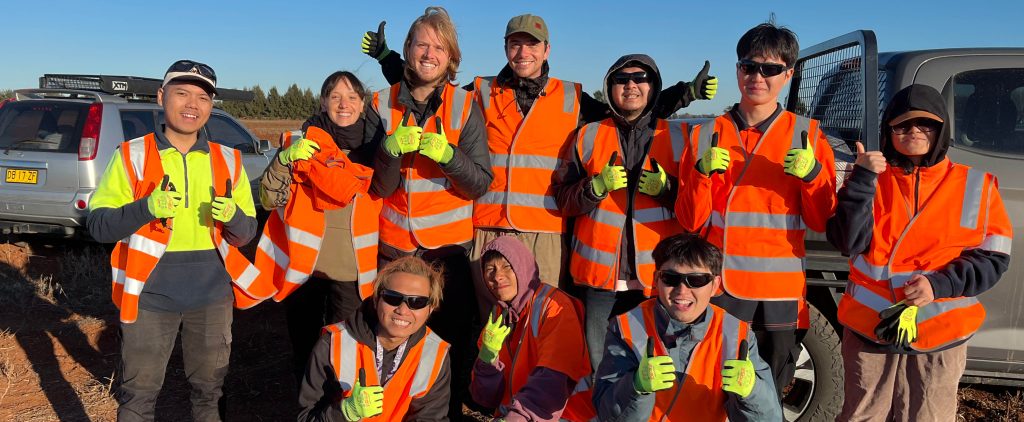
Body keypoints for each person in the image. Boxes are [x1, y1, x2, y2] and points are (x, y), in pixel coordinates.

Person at [362, 15, 718, 320]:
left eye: (532, 45)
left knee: (543, 318)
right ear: (505, 48)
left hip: (545, 230)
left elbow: (629, 111)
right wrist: (388, 58)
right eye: (516, 44)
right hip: (488, 225)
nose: (524, 53)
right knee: (491, 323)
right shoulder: (481, 91)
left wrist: (685, 93)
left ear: (547, 50)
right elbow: (429, 86)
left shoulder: (571, 96)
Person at [87, 59, 273, 421]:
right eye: (182, 93)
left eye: (203, 97)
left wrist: (232, 216)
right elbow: (98, 227)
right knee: (139, 398)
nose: (192, 105)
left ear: (211, 105)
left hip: (212, 298)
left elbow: (246, 233)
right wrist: (145, 208)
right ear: (161, 96)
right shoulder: (131, 156)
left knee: (209, 395)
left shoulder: (229, 160)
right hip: (149, 297)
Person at [827, 84, 1012, 421]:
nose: (913, 132)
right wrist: (862, 178)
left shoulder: (976, 185)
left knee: (929, 415)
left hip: (941, 328)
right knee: (861, 415)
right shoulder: (870, 178)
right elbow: (848, 243)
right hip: (871, 327)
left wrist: (938, 286)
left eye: (924, 124)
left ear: (941, 130)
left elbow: (994, 259)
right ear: (888, 131)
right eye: (902, 125)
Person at [674, 20, 837, 396]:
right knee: (710, 389)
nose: (757, 77)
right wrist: (700, 174)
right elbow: (689, 220)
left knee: (767, 395)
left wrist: (812, 176)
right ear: (737, 70)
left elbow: (821, 219)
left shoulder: (807, 135)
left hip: (777, 296)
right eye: (749, 66)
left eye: (771, 68)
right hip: (719, 288)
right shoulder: (704, 133)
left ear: (788, 74)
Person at [369, 7, 492, 417]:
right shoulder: (379, 103)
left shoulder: (464, 106)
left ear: (451, 57)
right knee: (392, 341)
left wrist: (449, 156)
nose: (429, 53)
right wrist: (387, 151)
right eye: (421, 43)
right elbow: (376, 186)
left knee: (449, 343)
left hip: (447, 253)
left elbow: (479, 182)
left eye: (439, 46)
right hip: (394, 249)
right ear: (406, 49)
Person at [555, 53, 689, 368]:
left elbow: (698, 208)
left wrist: (668, 190)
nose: (631, 85)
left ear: (654, 86)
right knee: (600, 370)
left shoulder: (678, 137)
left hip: (657, 280)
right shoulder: (587, 135)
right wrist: (594, 188)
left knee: (657, 369)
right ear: (610, 87)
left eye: (640, 78)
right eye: (621, 79)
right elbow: (563, 199)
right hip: (599, 281)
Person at [255, 71, 386, 381]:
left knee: (344, 348)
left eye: (352, 97)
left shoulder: (378, 152)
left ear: (362, 103)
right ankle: (306, 400)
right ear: (324, 102)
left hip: (353, 272)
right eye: (336, 97)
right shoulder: (302, 146)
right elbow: (269, 199)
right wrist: (284, 159)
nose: (344, 104)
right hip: (305, 269)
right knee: (304, 346)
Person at [592, 233, 781, 420]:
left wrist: (752, 392)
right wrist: (635, 387)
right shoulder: (626, 327)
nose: (682, 290)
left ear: (715, 285)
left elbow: (770, 418)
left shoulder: (736, 334)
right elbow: (607, 414)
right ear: (656, 279)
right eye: (670, 278)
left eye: (696, 279)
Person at [297, 255, 452, 421]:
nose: (403, 310)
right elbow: (306, 417)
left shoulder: (435, 353)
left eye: (417, 302)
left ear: (431, 308)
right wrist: (345, 412)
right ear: (377, 299)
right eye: (393, 298)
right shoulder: (332, 343)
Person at [469, 236, 590, 421]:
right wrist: (487, 359)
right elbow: (485, 398)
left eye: (507, 266)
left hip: (566, 416)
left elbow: (552, 383)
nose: (497, 276)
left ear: (523, 266)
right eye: (489, 269)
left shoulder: (556, 307)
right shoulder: (498, 318)